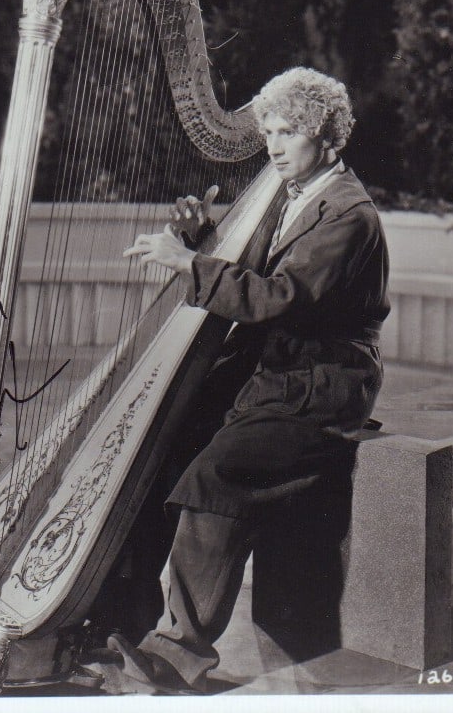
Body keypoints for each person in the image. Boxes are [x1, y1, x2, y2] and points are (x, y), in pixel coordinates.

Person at [103, 65, 390, 695]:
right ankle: (118, 617)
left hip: (322, 388)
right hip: (274, 376)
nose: (276, 146)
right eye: (270, 131)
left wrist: (189, 265)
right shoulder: (290, 194)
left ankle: (178, 654)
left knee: (217, 471)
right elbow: (252, 267)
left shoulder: (349, 215)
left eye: (290, 132)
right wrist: (202, 237)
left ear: (328, 138)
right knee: (161, 441)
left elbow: (282, 297)